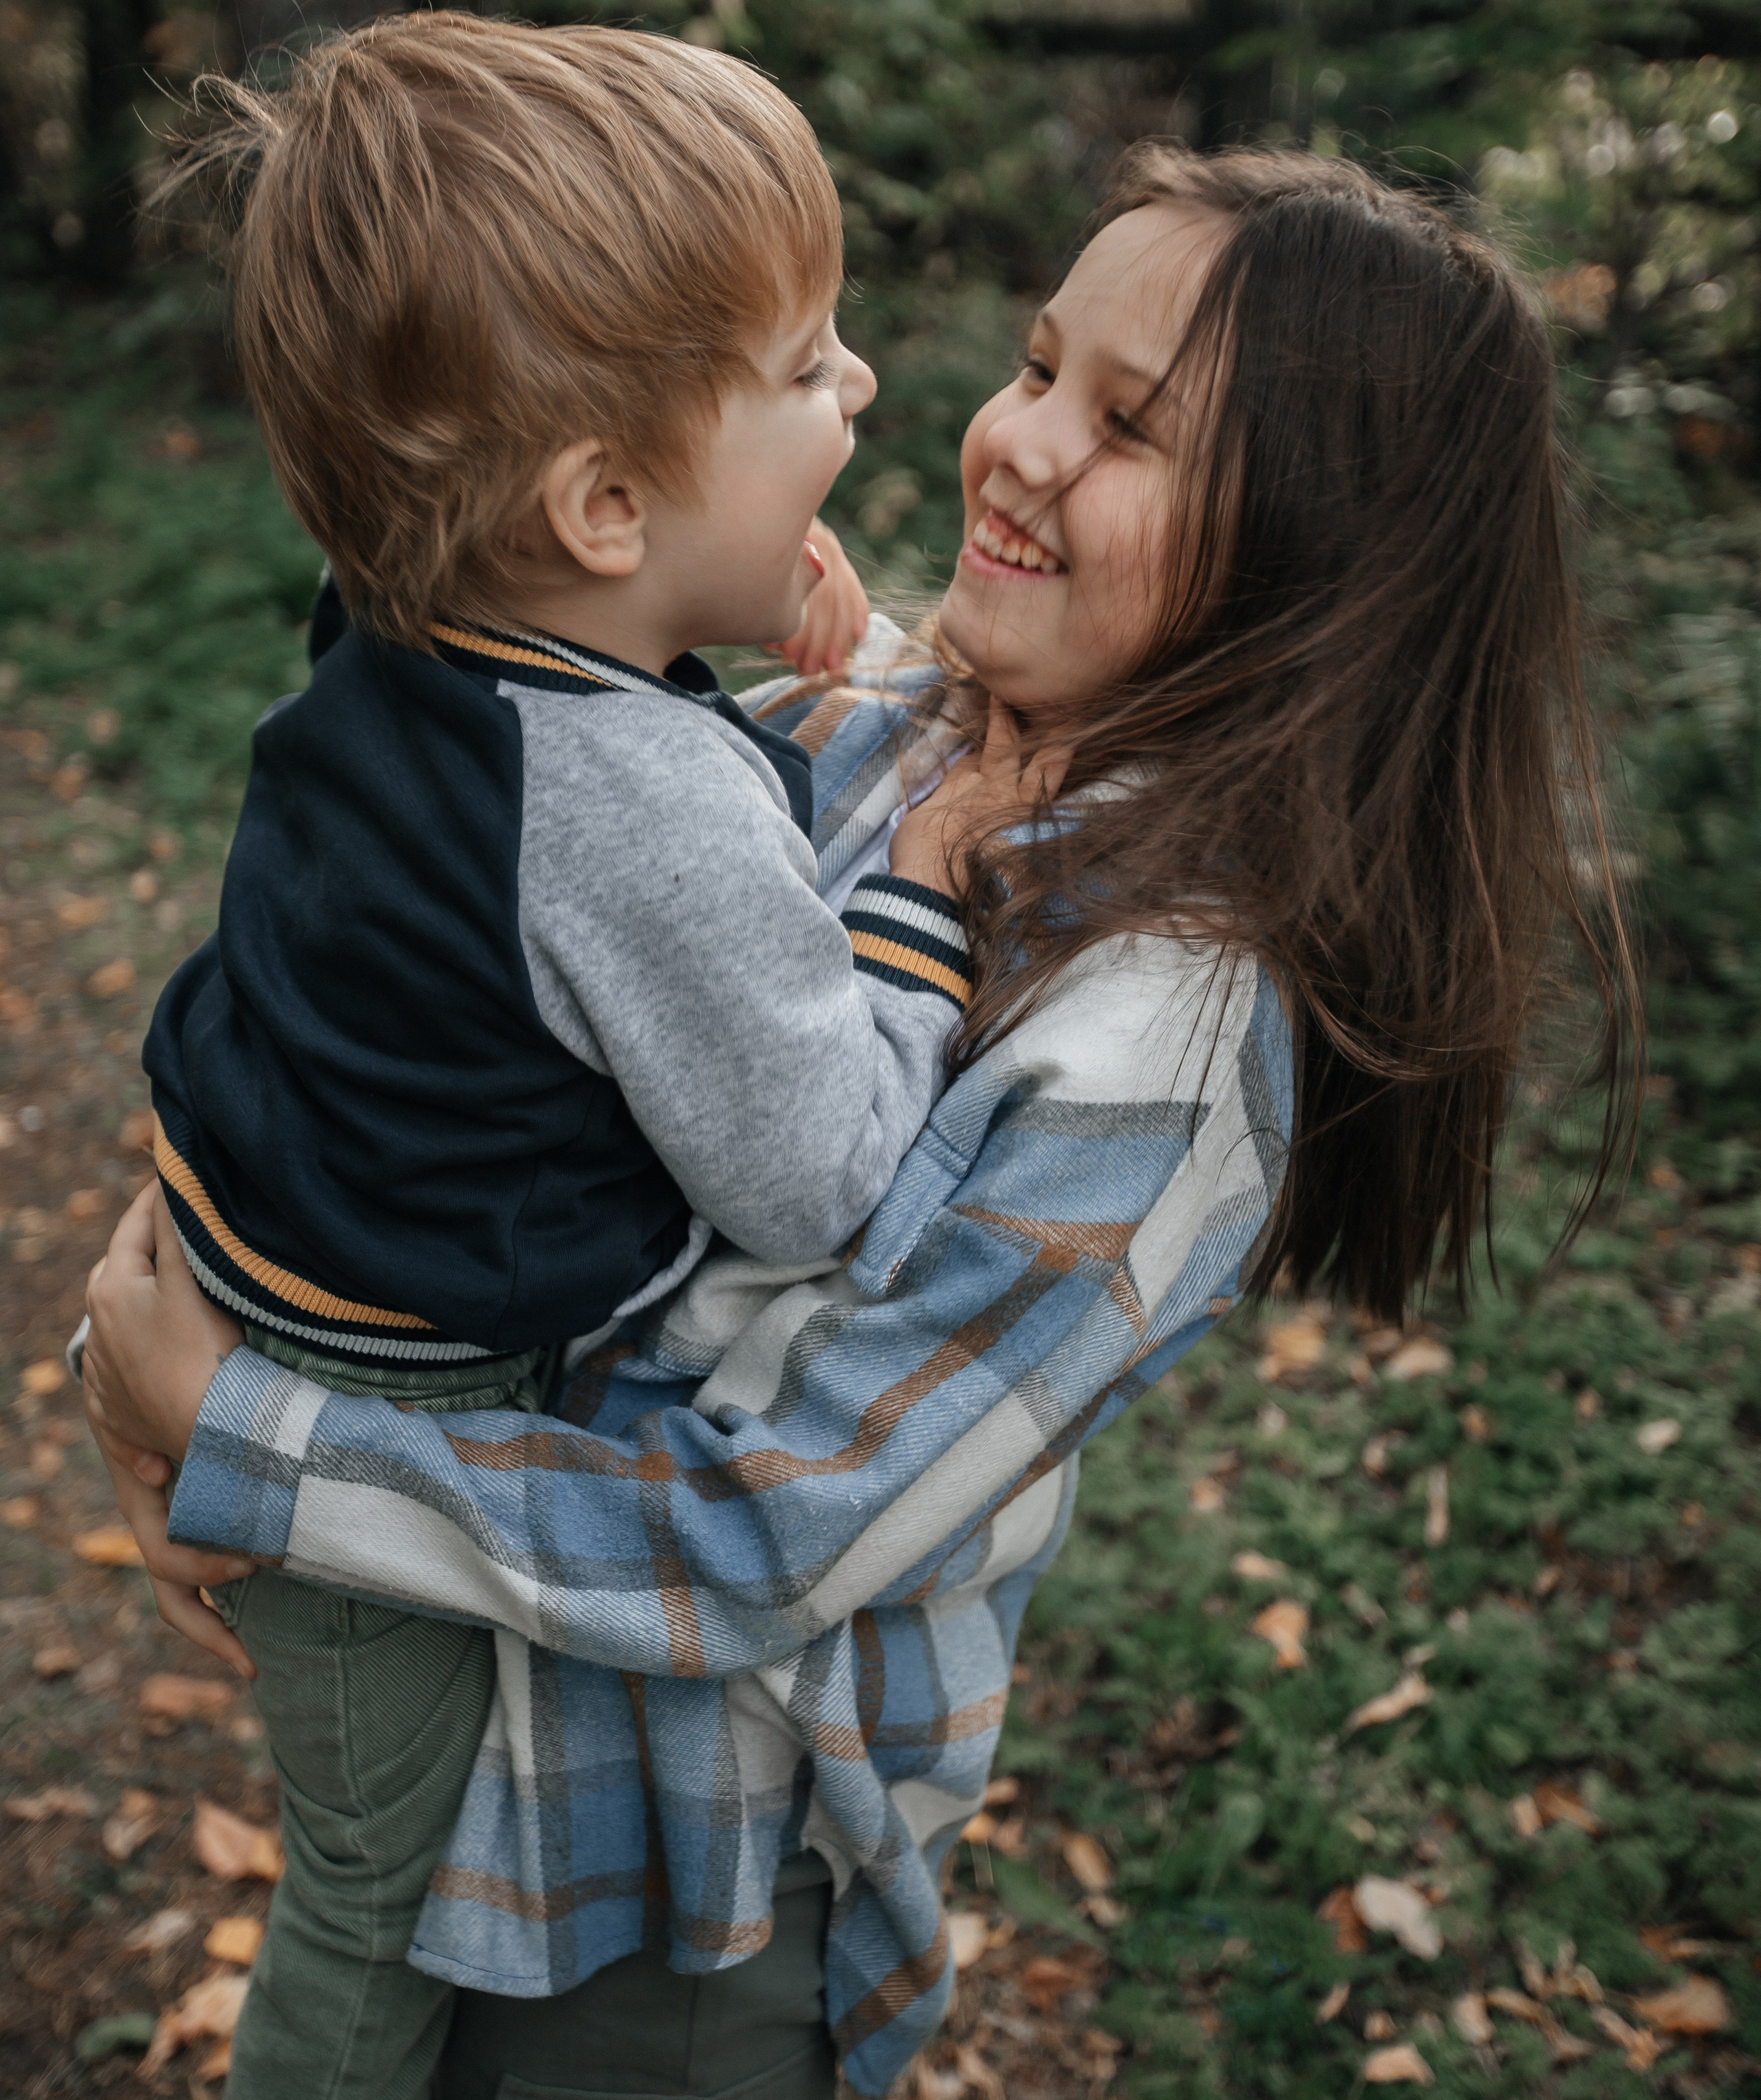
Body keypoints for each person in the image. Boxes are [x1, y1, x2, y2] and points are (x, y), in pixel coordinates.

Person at [83, 146, 1639, 2100]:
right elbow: (458, 1000)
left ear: (1325, 555)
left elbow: (780, 1527)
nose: (1015, 443)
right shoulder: (889, 723)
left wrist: (255, 1442)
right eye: (1037, 361)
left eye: (1131, 425)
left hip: (669, 1886)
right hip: (476, 1714)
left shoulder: (1167, 1035)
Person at [99, 10, 1022, 2100]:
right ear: (603, 502)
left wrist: (722, 595)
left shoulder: (418, 617)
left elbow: (587, 758)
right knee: (368, 1896)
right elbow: (812, 1173)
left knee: (374, 1860)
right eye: (804, 370)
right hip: (361, 1424)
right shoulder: (641, 808)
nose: (863, 387)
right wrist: (922, 899)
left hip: (269, 1261)